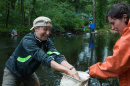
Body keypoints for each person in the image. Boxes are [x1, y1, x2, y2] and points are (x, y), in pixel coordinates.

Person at [2, 16, 79, 86]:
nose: (48, 33)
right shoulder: (27, 41)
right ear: (35, 28)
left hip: (28, 73)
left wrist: (71, 68)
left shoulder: (47, 41)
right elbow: (44, 58)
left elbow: (56, 55)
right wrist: (66, 71)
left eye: (49, 30)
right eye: (45, 29)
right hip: (13, 72)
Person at [87, 3, 130, 86]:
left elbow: (114, 66)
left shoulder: (128, 37)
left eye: (113, 23)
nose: (112, 28)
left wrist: (91, 71)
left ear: (125, 17)